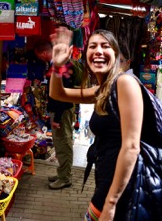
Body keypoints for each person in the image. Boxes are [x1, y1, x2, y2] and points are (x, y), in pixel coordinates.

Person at [49, 26, 144, 221]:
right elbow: (58, 94)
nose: (98, 51)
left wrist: (111, 203)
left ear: (115, 55)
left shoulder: (124, 83)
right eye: (92, 46)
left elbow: (132, 147)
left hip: (122, 185)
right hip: (107, 178)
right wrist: (58, 66)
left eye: (105, 46)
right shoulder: (103, 89)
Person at [34, 40, 83, 189]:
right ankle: (62, 173)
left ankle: (65, 178)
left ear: (44, 53)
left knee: (64, 143)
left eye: (39, 55)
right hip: (60, 110)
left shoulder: (61, 67)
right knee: (60, 143)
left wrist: (58, 117)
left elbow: (63, 95)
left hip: (63, 111)